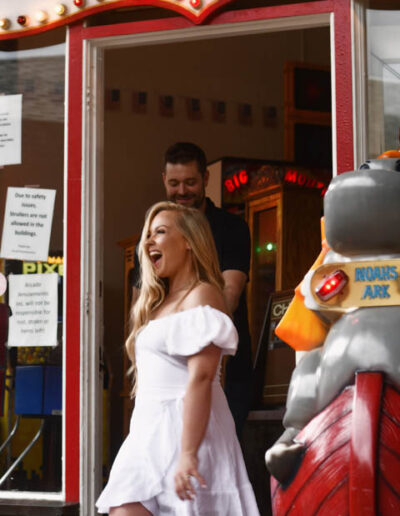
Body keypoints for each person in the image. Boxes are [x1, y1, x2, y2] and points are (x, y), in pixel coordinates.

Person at [96, 201, 260, 515]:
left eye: (160, 232)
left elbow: (202, 376)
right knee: (123, 506)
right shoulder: (157, 303)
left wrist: (188, 452)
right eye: (148, 235)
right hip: (148, 429)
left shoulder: (203, 294)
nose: (148, 242)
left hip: (188, 429)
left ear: (187, 241)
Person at [131, 142, 253, 438]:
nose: (182, 191)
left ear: (205, 179)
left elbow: (229, 294)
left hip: (224, 367)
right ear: (164, 180)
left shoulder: (231, 228)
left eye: (190, 182)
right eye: (174, 183)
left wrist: (191, 334)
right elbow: (141, 304)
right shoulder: (154, 238)